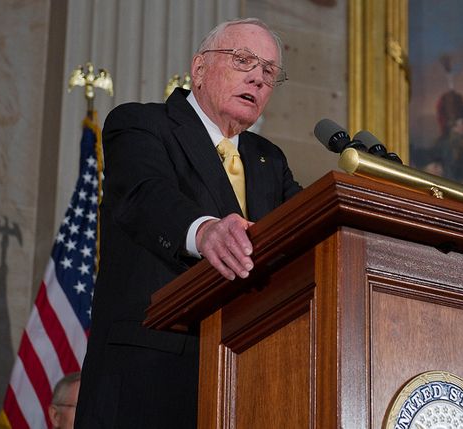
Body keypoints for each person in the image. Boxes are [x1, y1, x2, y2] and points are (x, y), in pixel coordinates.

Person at [74, 18, 302, 428]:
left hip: (248, 380)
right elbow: (146, 195)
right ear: (199, 69)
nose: (258, 78)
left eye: (269, 71)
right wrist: (204, 230)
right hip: (150, 376)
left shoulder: (270, 160)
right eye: (243, 59)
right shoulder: (141, 124)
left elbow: (303, 227)